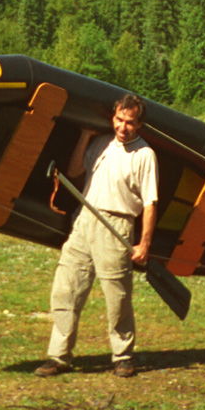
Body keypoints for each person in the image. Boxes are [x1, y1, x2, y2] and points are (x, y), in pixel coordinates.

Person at [35, 94, 158, 378]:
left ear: (139, 124)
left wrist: (145, 243)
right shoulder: (102, 142)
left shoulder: (144, 155)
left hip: (117, 225)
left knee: (117, 297)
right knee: (66, 290)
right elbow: (76, 171)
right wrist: (85, 136)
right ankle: (58, 356)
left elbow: (151, 202)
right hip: (84, 220)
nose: (122, 127)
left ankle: (123, 356)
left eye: (129, 122)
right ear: (112, 118)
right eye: (118, 120)